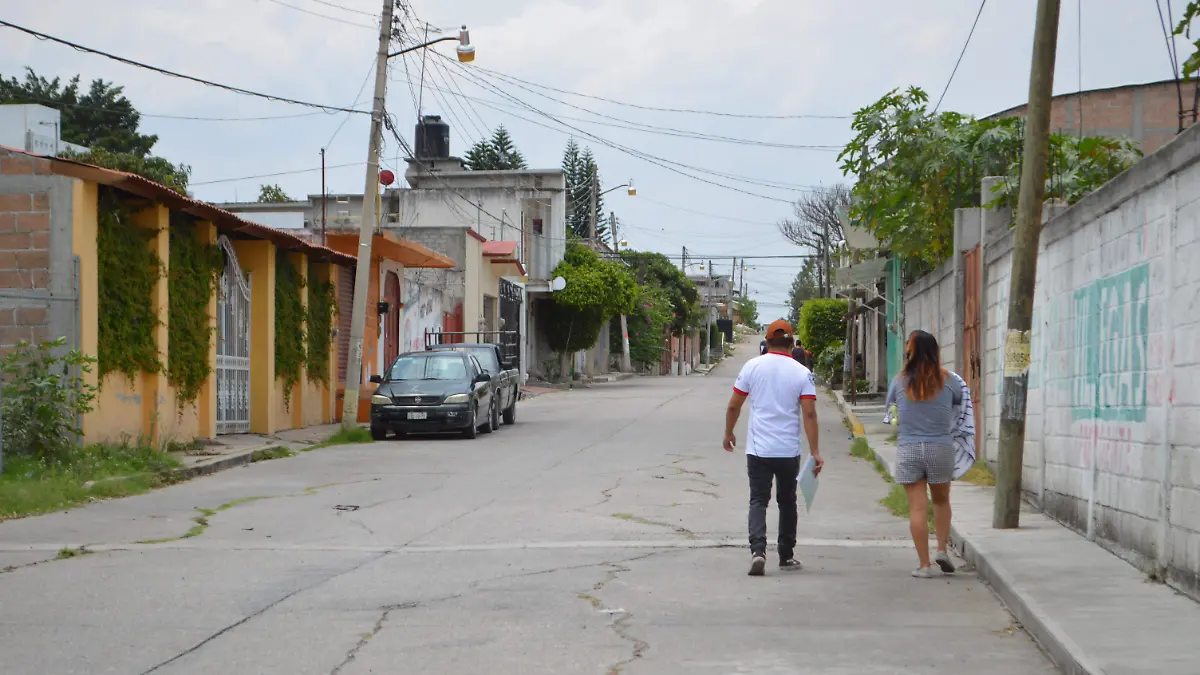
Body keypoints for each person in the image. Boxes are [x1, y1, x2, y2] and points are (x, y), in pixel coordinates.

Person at [724, 320, 823, 576]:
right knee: (787, 501)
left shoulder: (752, 367)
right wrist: (815, 451)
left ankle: (758, 551)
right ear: (792, 345)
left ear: (767, 343)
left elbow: (734, 405)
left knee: (758, 500)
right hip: (788, 450)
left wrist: (729, 433)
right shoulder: (802, 372)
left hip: (758, 450)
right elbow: (810, 414)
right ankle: (786, 556)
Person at [884, 330, 964, 578]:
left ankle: (925, 565)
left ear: (912, 351)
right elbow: (959, 407)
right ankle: (941, 549)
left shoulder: (899, 381)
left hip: (909, 449)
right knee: (941, 501)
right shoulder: (950, 380)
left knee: (917, 509)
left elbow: (890, 412)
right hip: (940, 448)